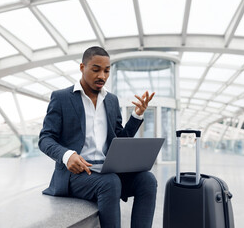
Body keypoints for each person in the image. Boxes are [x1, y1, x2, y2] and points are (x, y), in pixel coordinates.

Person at [39, 46, 156, 228]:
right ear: (82, 67)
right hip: (76, 174)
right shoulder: (61, 98)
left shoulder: (111, 101)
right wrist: (67, 155)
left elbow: (119, 139)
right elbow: (45, 138)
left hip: (107, 170)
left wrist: (137, 116)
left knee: (147, 180)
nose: (102, 76)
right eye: (96, 70)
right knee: (110, 183)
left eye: (106, 71)